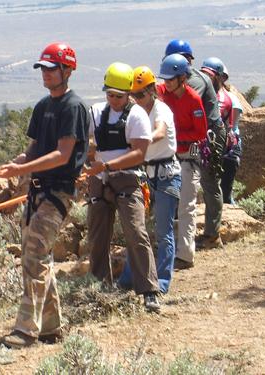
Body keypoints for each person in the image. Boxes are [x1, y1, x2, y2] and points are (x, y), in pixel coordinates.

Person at [0, 42, 90, 348]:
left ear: (67, 71)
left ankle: (26, 330)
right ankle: (51, 327)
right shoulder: (43, 106)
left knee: (34, 256)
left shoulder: (73, 107)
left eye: (51, 69)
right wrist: (18, 163)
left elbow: (62, 155)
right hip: (39, 193)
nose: (45, 74)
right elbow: (34, 149)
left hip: (58, 192)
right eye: (43, 69)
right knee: (37, 256)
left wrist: (24, 170)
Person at [85, 62, 160, 312]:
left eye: (119, 96)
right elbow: (87, 145)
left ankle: (149, 290)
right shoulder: (96, 112)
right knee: (97, 236)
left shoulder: (137, 115)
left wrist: (106, 167)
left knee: (136, 233)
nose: (114, 100)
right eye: (110, 95)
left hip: (127, 180)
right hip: (99, 181)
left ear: (128, 93)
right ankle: (99, 287)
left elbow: (139, 153)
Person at [117, 66, 181, 294]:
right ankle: (128, 278)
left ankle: (161, 283)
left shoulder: (161, 109)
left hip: (165, 175)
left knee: (163, 232)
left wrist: (139, 141)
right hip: (146, 174)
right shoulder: (134, 112)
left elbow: (160, 132)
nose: (138, 99)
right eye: (134, 95)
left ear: (152, 90)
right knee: (137, 230)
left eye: (141, 94)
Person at [164, 39, 226, 250]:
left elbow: (184, 105)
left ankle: (212, 235)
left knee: (209, 181)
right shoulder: (179, 80)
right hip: (190, 135)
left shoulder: (194, 81)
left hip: (209, 135)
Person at [156, 54, 207, 270]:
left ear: (182, 78)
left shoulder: (193, 99)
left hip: (187, 159)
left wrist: (176, 134)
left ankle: (185, 255)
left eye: (170, 79)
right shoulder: (164, 95)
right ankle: (164, 250)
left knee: (186, 206)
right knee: (164, 207)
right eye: (165, 79)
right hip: (169, 158)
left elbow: (201, 132)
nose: (166, 83)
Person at [220, 65, 243, 204]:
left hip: (229, 147)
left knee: (225, 191)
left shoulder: (231, 99)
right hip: (225, 146)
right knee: (222, 188)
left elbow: (232, 127)